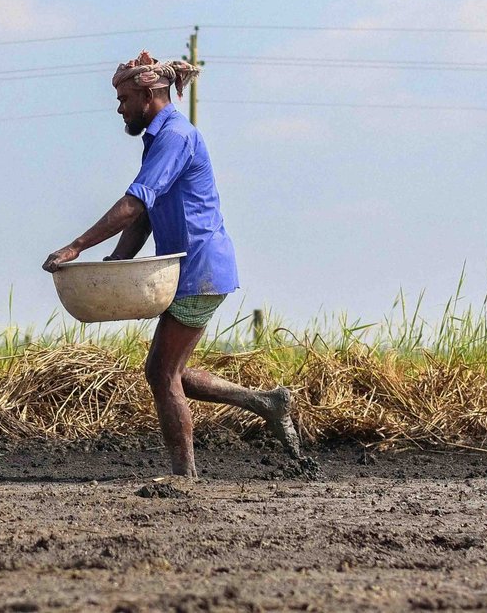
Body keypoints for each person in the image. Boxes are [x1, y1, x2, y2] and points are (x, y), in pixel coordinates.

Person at [42, 51, 314, 478]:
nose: (120, 109)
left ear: (149, 95)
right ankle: (266, 402)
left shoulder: (175, 136)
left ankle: (184, 476)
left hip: (200, 268)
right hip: (188, 269)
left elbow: (134, 204)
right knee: (169, 371)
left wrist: (76, 247)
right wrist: (117, 262)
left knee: (162, 372)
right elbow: (146, 214)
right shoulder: (159, 138)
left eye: (124, 99)